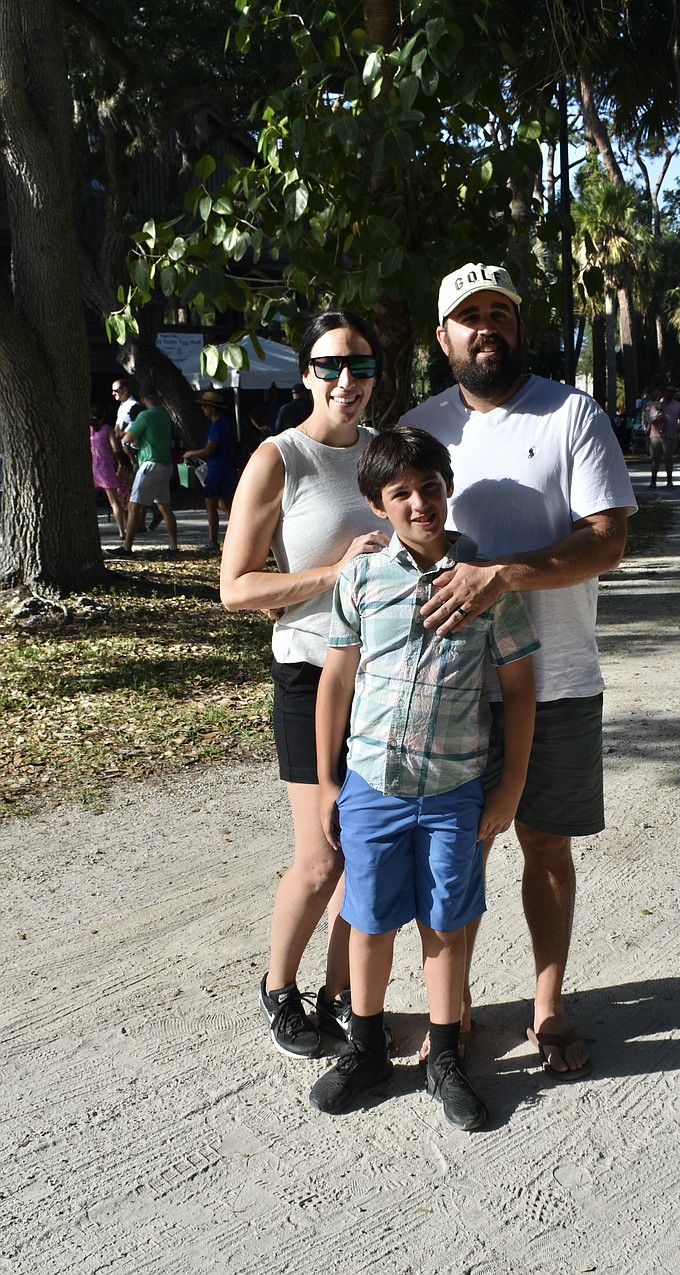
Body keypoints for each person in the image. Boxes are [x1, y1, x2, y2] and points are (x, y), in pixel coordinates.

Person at [401, 261, 637, 1078]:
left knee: (545, 843)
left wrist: (502, 575)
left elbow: (607, 539)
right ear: (444, 338)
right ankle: (454, 1008)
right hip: (450, 688)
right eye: (470, 316)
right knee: (455, 854)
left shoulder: (572, 413)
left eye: (500, 312)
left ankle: (548, 1003)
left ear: (517, 326)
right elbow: (394, 533)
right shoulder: (420, 429)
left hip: (559, 676)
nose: (487, 327)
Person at [308, 427, 539, 1127]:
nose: (419, 503)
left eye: (430, 487)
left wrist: (509, 786)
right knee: (369, 919)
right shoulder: (360, 579)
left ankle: (444, 1057)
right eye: (400, 493)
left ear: (448, 487)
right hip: (372, 783)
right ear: (378, 505)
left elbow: (519, 688)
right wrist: (327, 781)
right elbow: (336, 680)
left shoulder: (487, 582)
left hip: (452, 789)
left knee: (446, 921)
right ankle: (366, 1048)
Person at [219, 309, 390, 1060]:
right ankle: (278, 987)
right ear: (307, 375)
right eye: (330, 366)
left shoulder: (386, 454)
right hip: (308, 675)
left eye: (360, 365)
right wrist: (332, 573)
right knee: (321, 857)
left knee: (366, 852)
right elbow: (235, 586)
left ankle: (340, 993)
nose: (346, 379)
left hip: (382, 679)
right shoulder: (279, 458)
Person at [107, 383, 179, 557]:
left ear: (143, 399)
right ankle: (173, 547)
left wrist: (129, 441)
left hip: (150, 464)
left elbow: (127, 438)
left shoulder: (145, 416)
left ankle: (126, 547)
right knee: (165, 507)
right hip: (165, 464)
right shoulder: (164, 415)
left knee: (133, 505)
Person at [183, 390, 239, 552]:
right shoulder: (222, 424)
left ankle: (213, 541)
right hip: (224, 468)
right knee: (226, 504)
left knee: (210, 503)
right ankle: (237, 538)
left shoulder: (218, 425)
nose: (203, 409)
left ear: (212, 408)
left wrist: (191, 453)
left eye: (205, 406)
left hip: (218, 469)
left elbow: (209, 449)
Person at [89, 403, 131, 542]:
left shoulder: (87, 430)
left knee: (91, 502)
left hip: (91, 468)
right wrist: (120, 463)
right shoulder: (107, 430)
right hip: (106, 468)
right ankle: (121, 531)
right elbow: (115, 449)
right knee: (114, 502)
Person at [650, 384, 680, 488]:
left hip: (670, 435)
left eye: (673, 391)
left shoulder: (677, 405)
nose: (671, 393)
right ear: (664, 392)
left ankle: (669, 481)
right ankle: (653, 481)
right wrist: (655, 419)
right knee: (655, 458)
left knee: (668, 458)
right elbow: (649, 418)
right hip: (655, 435)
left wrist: (678, 427)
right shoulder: (656, 403)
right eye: (669, 391)